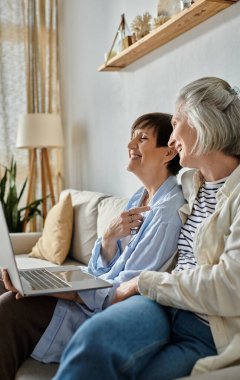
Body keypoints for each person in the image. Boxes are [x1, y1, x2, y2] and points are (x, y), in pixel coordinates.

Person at [53, 77, 240, 380]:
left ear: (205, 122)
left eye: (176, 123)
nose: (172, 139)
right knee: (95, 339)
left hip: (205, 326)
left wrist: (142, 283)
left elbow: (232, 287)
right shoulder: (190, 184)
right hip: (160, 306)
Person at [0, 112, 185, 380]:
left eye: (142, 138)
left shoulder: (167, 212)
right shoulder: (139, 199)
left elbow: (128, 287)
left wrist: (69, 292)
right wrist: (108, 238)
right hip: (94, 291)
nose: (130, 145)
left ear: (168, 153)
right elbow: (101, 267)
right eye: (131, 137)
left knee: (9, 308)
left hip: (102, 309)